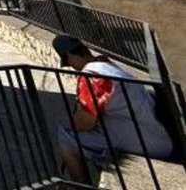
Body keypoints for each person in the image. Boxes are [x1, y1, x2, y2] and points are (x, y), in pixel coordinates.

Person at [52, 33, 176, 183]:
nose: (72, 67)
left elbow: (87, 120)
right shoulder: (107, 64)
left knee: (65, 135)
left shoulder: (92, 76)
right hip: (158, 131)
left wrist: (70, 124)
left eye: (68, 62)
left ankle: (81, 186)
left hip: (148, 142)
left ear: (70, 55)